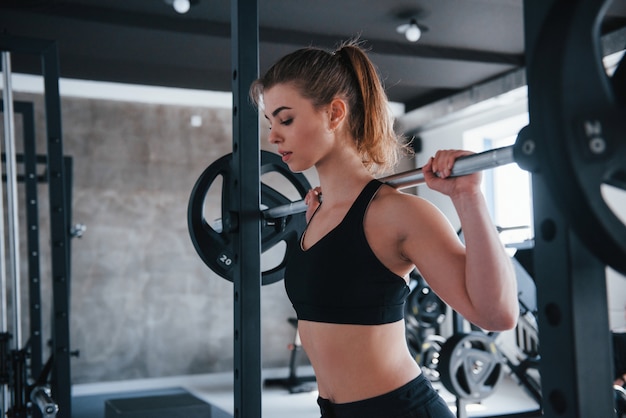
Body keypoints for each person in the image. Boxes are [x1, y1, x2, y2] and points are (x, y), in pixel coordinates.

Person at [249, 39, 519, 418]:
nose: (273, 136)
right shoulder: (317, 215)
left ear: (335, 113)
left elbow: (498, 315)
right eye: (271, 123)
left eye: (286, 119)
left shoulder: (397, 213)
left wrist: (468, 198)